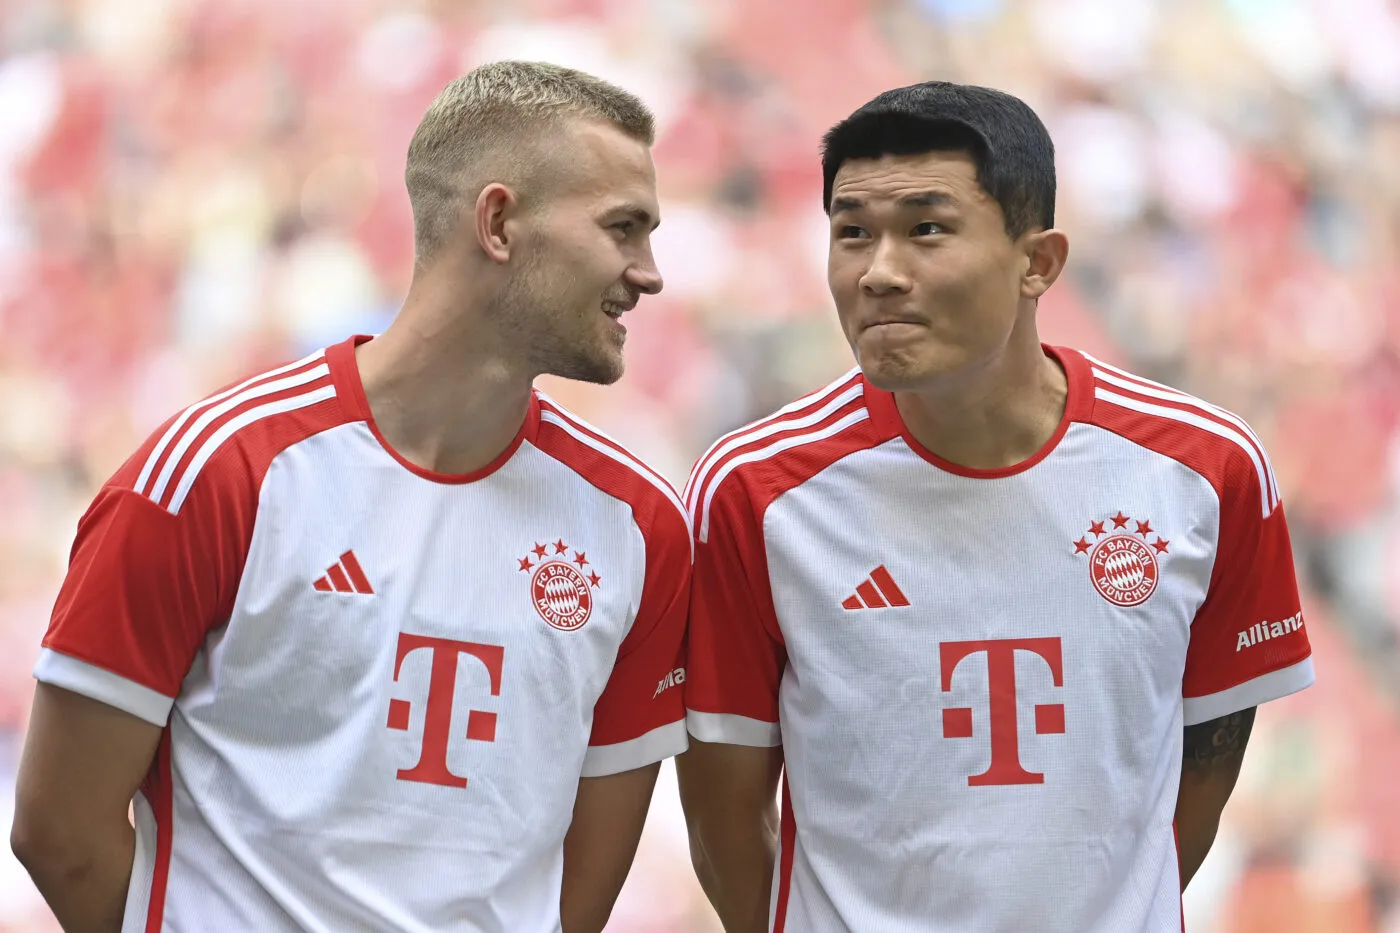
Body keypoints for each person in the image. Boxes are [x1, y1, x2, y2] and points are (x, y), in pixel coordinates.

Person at [10, 61, 690, 933]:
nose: (650, 272)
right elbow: (59, 832)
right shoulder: (215, 474)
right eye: (623, 228)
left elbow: (575, 901)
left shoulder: (641, 526)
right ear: (498, 222)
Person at [676, 80, 1314, 933]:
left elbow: (1200, 780)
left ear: (1038, 262)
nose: (879, 273)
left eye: (927, 229)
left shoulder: (1208, 470)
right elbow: (724, 819)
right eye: (852, 232)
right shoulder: (754, 490)